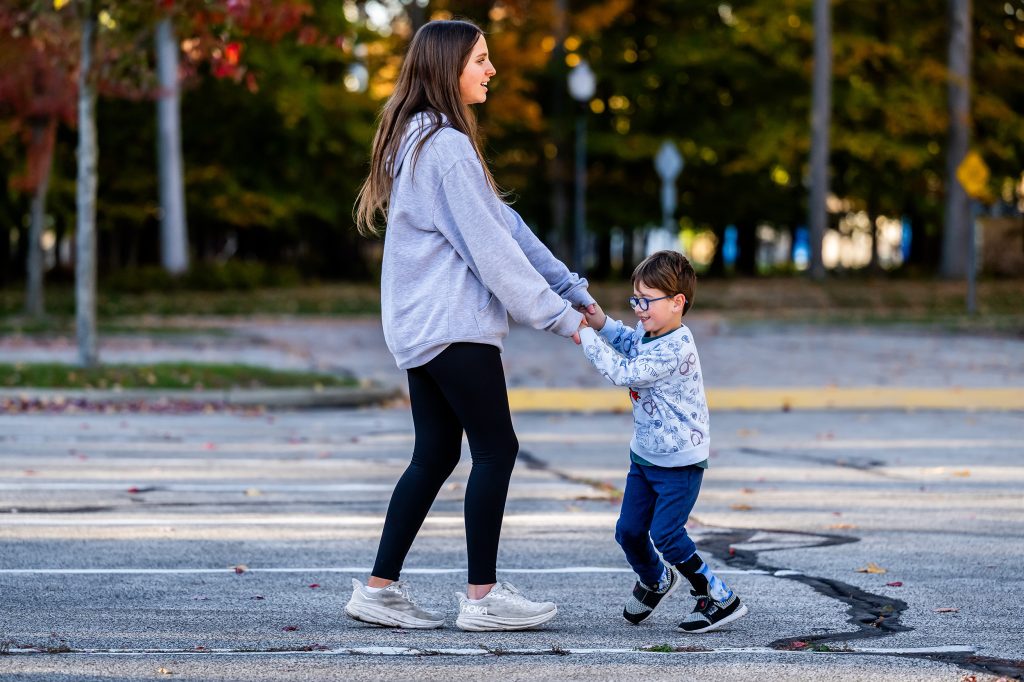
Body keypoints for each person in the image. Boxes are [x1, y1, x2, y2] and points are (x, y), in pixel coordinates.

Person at [346, 19, 596, 632]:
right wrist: (563, 319)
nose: (491, 70)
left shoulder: (421, 140)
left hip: (424, 329)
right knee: (496, 448)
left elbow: (506, 227)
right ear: (448, 67)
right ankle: (482, 598)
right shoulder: (446, 148)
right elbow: (495, 254)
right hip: (452, 326)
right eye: (480, 60)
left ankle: (379, 590)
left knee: (435, 454)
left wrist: (570, 289)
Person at [577, 250, 748, 633]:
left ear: (677, 302)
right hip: (646, 456)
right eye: (635, 299)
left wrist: (585, 336)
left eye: (647, 301)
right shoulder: (650, 332)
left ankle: (719, 596)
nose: (639, 309)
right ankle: (656, 579)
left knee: (667, 534)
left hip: (679, 461)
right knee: (629, 532)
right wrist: (599, 322)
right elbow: (628, 342)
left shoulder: (675, 348)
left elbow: (624, 372)